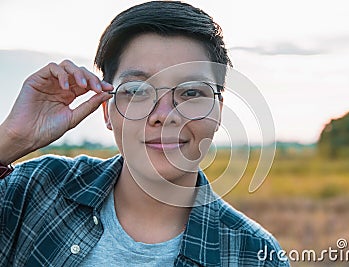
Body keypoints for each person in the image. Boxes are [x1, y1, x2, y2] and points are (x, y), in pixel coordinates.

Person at [0, 1, 289, 266]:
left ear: (218, 111)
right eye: (137, 91)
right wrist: (10, 140)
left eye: (190, 92)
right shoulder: (34, 189)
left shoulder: (254, 255)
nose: (164, 115)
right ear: (106, 111)